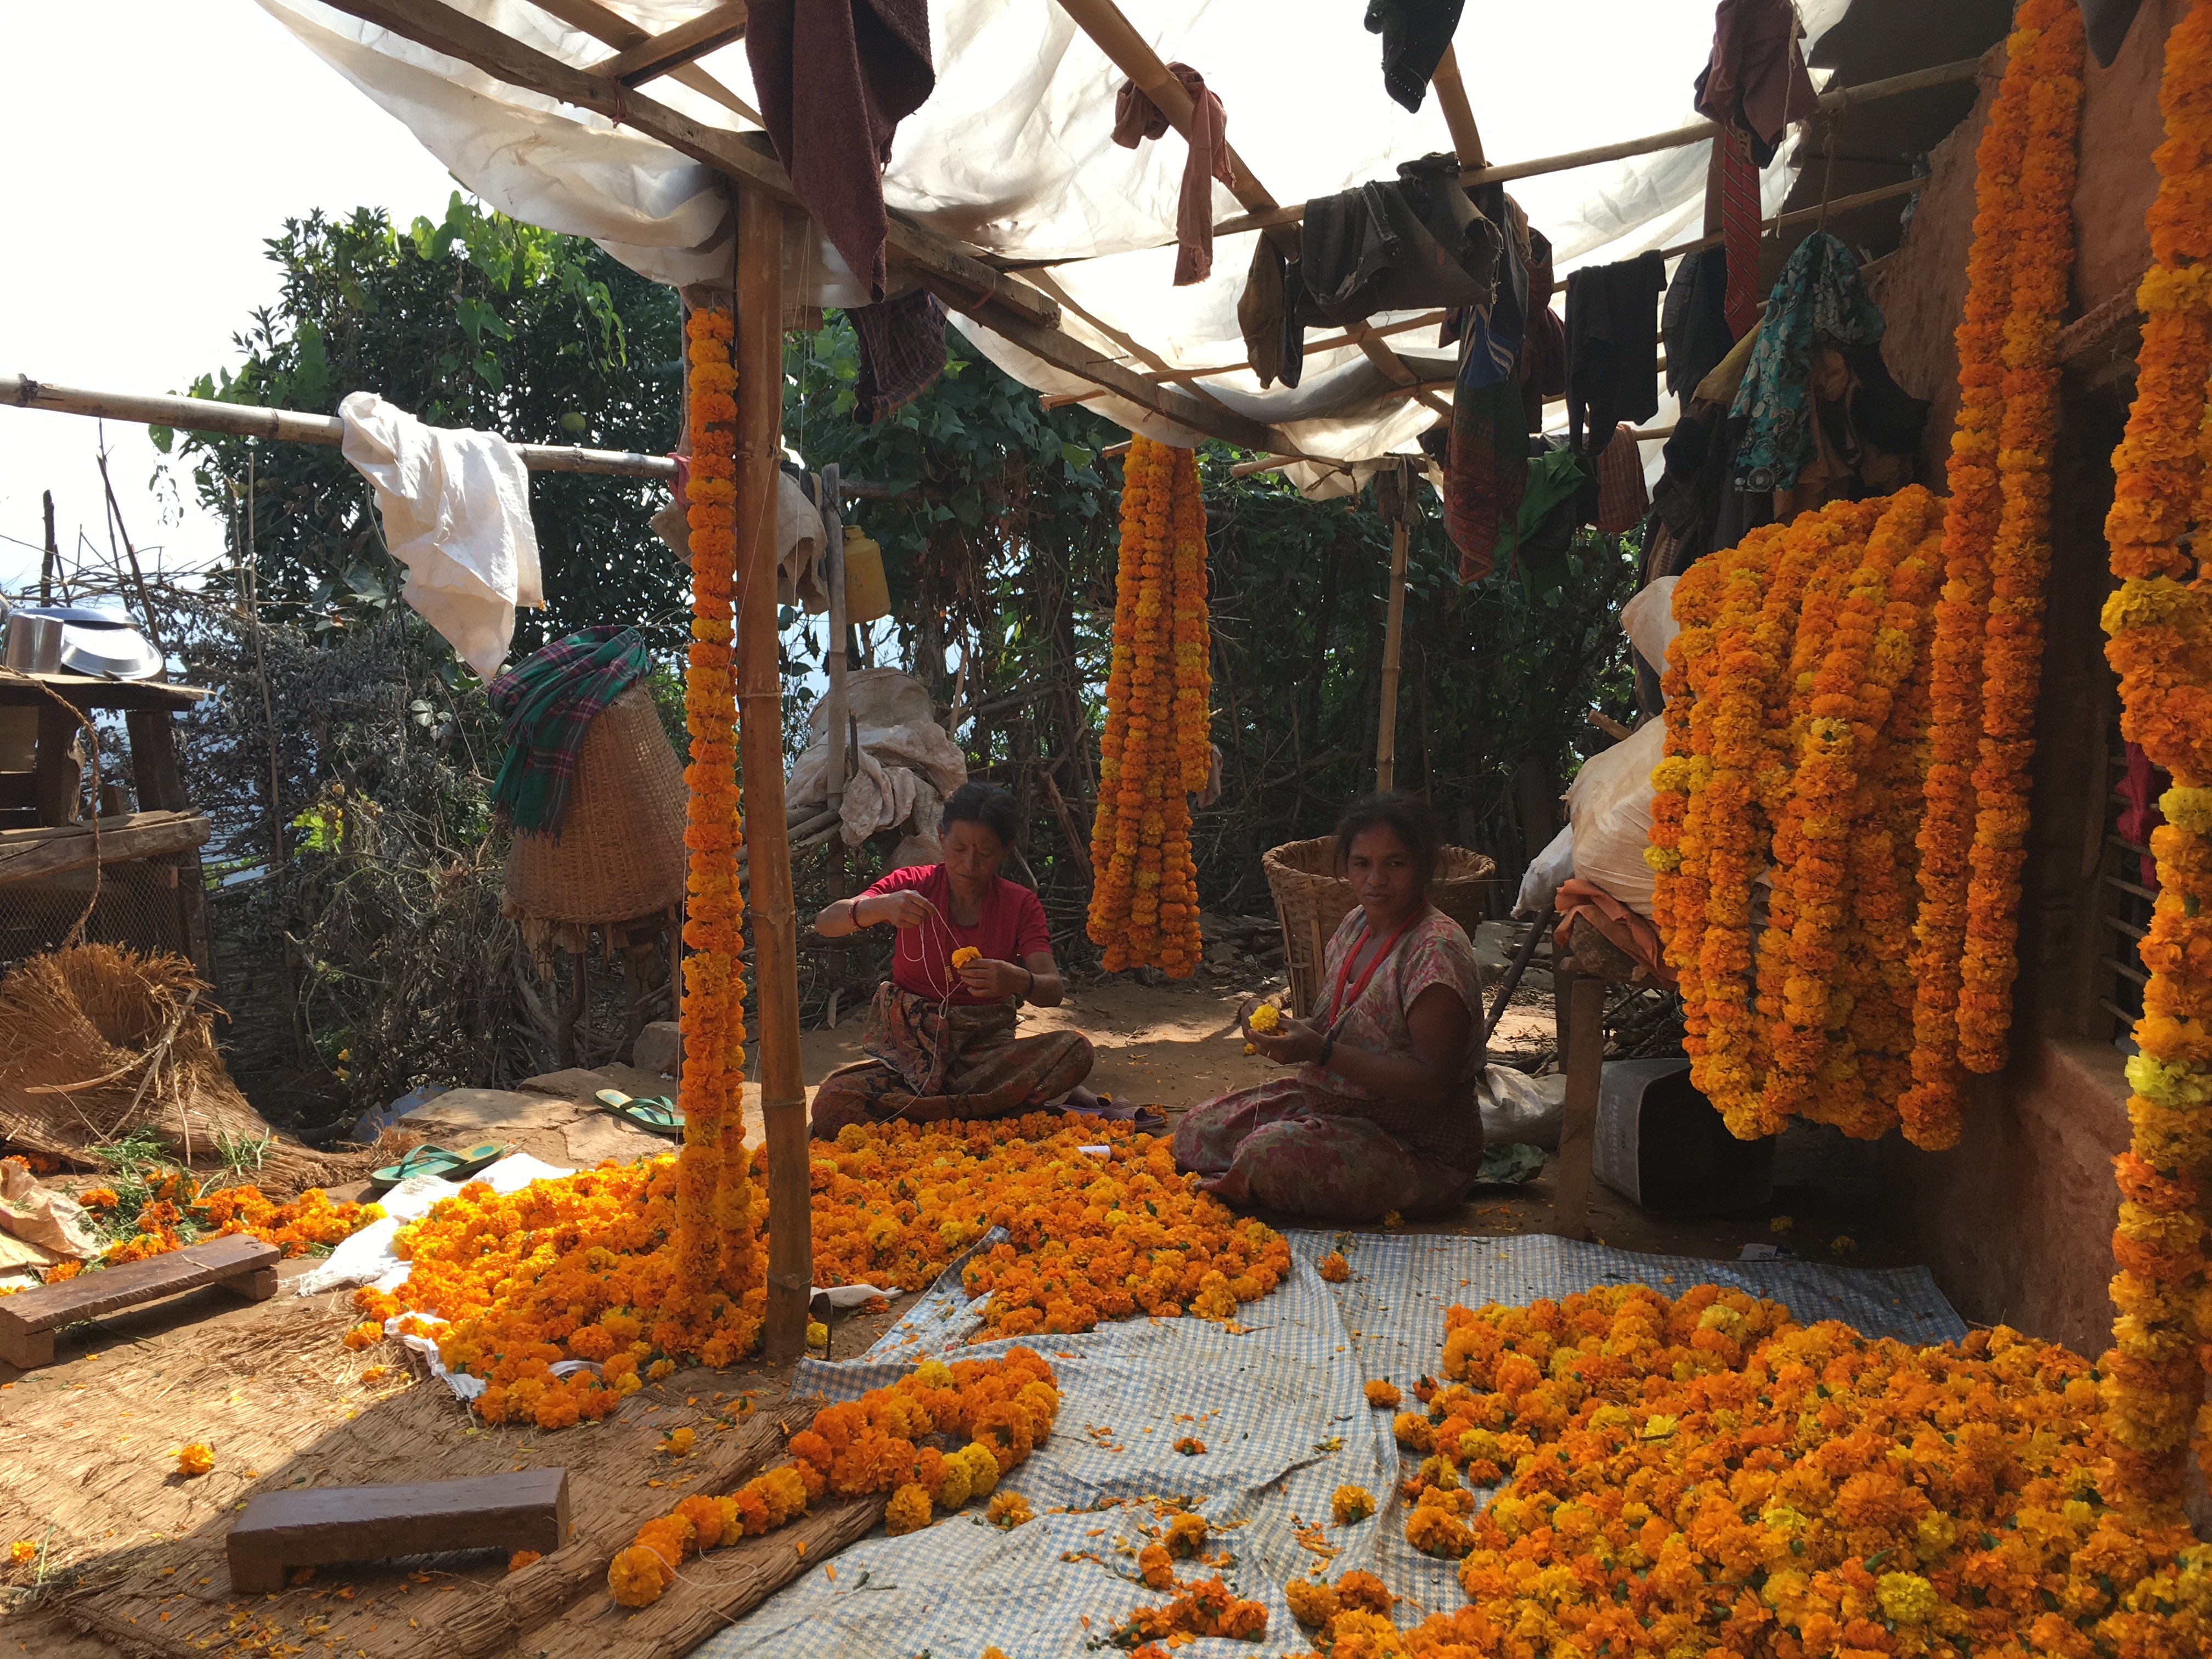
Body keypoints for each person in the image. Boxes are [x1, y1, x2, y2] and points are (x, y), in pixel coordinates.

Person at [1174, 793, 1485, 1221]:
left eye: (1395, 864)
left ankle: (1278, 1166)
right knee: (1196, 1129)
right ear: (1347, 868)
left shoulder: (1436, 951)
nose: (1376, 879)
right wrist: (1274, 1025)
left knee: (1267, 1159)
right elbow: (1337, 1026)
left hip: (1415, 1147)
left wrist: (1321, 1053)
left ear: (1424, 868)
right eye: (1362, 864)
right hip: (1332, 1108)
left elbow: (1434, 1083)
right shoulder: (1355, 924)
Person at [809, 782, 1109, 1138]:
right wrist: (879, 906)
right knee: (830, 1100)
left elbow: (1053, 990)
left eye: (985, 852)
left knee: (1075, 1051)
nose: (970, 864)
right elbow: (826, 922)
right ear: (940, 839)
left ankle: (924, 1116)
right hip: (912, 1063)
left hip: (984, 1063)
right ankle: (980, 1112)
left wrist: (1019, 981)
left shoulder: (1020, 904)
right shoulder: (912, 886)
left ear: (1005, 851)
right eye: (959, 848)